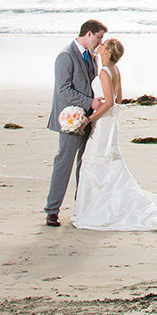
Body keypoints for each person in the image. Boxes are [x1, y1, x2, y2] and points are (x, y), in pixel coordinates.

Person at [72, 38, 157, 232]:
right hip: (112, 121)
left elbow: (110, 102)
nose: (99, 47)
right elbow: (119, 99)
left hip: (103, 123)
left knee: (95, 160)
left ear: (108, 52)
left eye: (103, 46)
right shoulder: (115, 70)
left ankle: (98, 209)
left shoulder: (103, 71)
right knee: (107, 160)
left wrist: (90, 118)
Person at [45, 19, 105, 227]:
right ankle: (52, 211)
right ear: (88, 34)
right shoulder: (65, 56)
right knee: (64, 163)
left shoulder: (92, 57)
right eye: (99, 37)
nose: (100, 42)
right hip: (70, 119)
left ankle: (81, 207)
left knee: (84, 163)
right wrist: (89, 102)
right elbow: (63, 90)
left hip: (88, 118)